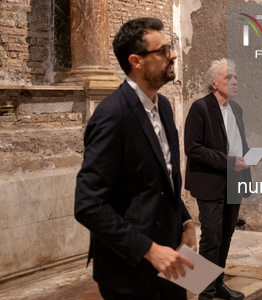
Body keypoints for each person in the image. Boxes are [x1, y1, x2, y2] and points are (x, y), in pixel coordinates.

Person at [74, 17, 197, 300]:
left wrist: (186, 222)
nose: (173, 55)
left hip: (169, 262)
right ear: (136, 61)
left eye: (171, 48)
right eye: (164, 50)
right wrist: (149, 249)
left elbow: (162, 180)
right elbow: (88, 205)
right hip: (130, 272)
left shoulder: (163, 106)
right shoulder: (112, 115)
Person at [184, 59, 252, 300]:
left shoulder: (237, 109)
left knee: (225, 235)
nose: (235, 82)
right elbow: (193, 148)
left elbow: (237, 144)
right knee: (211, 237)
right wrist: (229, 161)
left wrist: (248, 157)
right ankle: (205, 292)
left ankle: (218, 284)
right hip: (209, 182)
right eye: (228, 78)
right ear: (214, 83)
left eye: (235, 77)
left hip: (234, 182)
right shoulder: (200, 107)